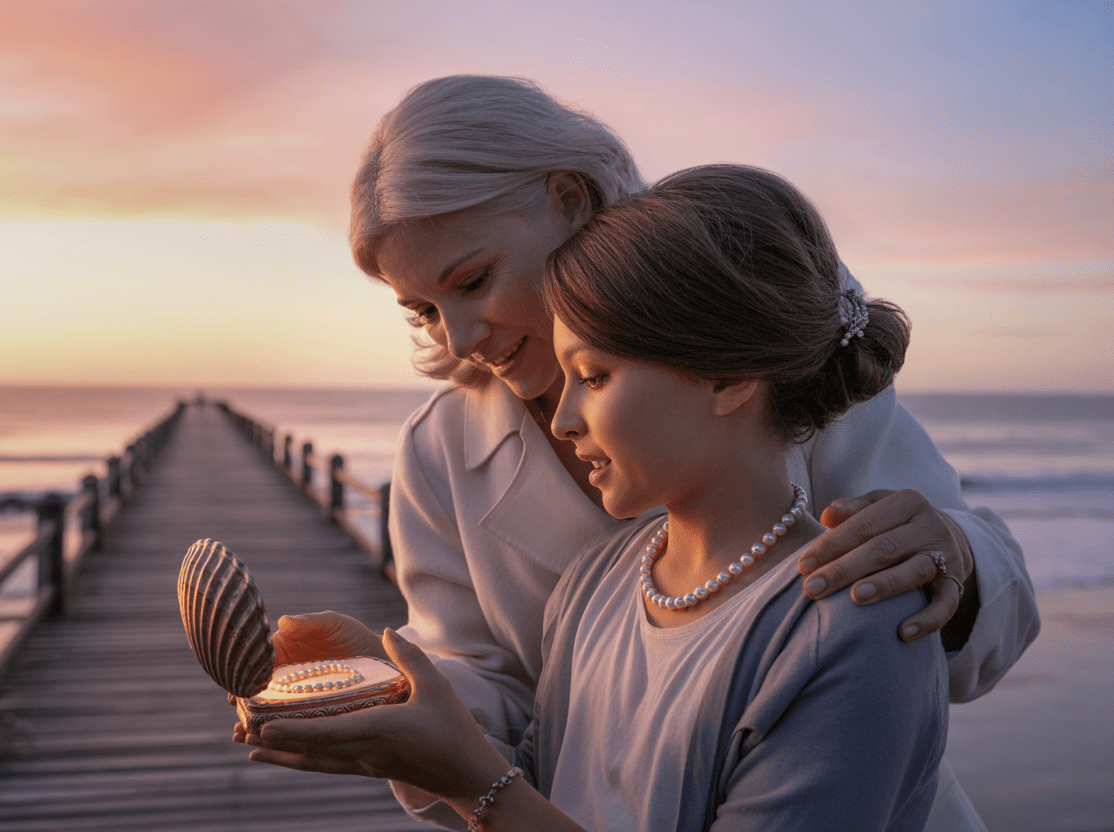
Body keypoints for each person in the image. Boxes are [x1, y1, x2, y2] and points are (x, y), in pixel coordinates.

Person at [260, 75, 1038, 829]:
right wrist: (392, 689)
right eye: (424, 309)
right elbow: (495, 687)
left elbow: (905, 634)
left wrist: (947, 557)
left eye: (474, 279)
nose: (460, 337)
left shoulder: (752, 322)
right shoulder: (439, 449)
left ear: (569, 199)